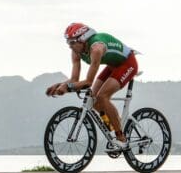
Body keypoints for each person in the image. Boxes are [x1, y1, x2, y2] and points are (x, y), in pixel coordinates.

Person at [46, 22, 138, 151]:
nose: (70, 46)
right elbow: (74, 79)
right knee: (93, 99)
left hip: (127, 64)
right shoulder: (76, 52)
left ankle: (121, 137)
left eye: (72, 42)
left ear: (83, 39)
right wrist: (60, 85)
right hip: (113, 65)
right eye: (68, 42)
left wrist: (67, 88)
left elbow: (88, 82)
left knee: (102, 96)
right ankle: (114, 124)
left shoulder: (96, 49)